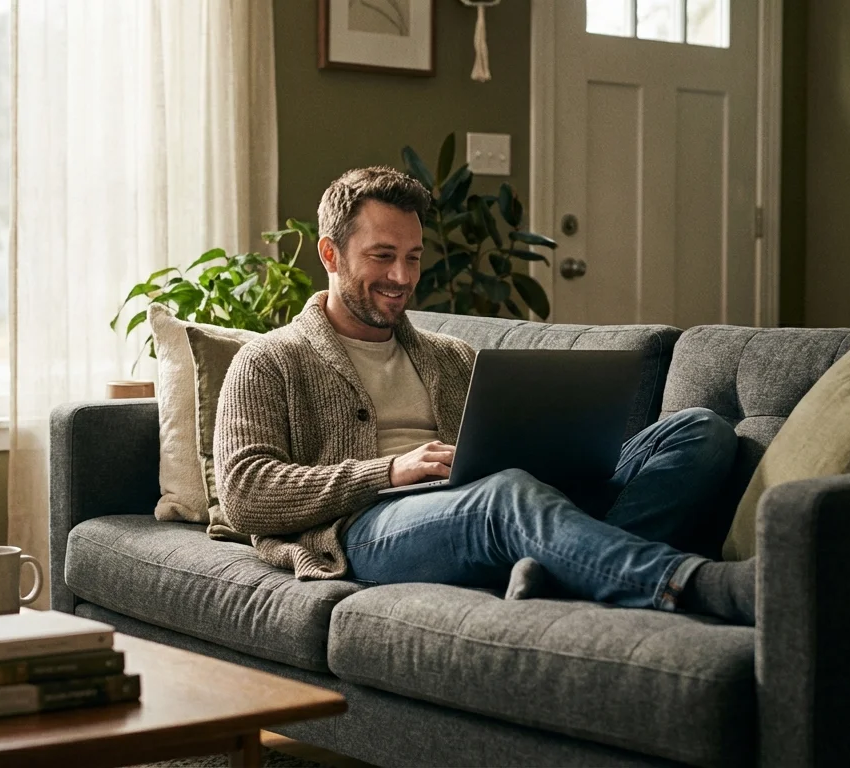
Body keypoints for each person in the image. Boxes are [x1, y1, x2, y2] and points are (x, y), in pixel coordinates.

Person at [214, 166, 756, 625]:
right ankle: (691, 583)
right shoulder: (269, 360)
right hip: (366, 527)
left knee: (701, 430)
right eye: (382, 256)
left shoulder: (451, 355)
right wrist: (387, 470)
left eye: (413, 256)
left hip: (491, 500)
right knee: (506, 493)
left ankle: (558, 571)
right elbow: (242, 494)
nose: (402, 277)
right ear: (330, 254)